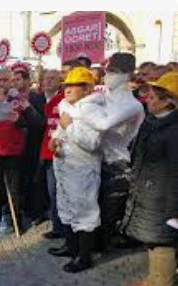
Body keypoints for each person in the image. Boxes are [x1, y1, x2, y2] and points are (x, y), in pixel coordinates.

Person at [61, 53, 146, 253]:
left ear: (126, 75)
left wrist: (72, 109)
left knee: (105, 215)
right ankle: (78, 248)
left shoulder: (132, 105)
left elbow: (103, 124)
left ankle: (92, 254)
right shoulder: (102, 97)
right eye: (106, 70)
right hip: (90, 159)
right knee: (82, 209)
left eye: (112, 72)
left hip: (114, 163)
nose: (106, 75)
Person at [122, 71, 178, 286]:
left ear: (169, 102)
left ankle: (160, 284)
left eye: (153, 97)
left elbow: (175, 171)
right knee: (154, 239)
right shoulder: (153, 121)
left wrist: (174, 209)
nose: (147, 99)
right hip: (150, 192)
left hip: (164, 197)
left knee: (162, 241)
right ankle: (154, 280)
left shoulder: (174, 130)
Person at [48, 67, 103, 273]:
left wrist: (70, 127)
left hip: (82, 171)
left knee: (85, 213)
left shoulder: (94, 110)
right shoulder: (65, 106)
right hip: (63, 167)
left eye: (74, 85)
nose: (68, 89)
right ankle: (71, 247)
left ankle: (84, 256)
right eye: (67, 85)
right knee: (66, 209)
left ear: (87, 88)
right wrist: (54, 142)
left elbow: (94, 142)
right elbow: (60, 131)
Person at [0, 68, 42, 233]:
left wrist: (19, 120)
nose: (2, 83)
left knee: (14, 189)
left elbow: (34, 122)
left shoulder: (18, 98)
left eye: (6, 80)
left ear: (11, 81)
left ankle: (16, 221)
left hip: (14, 150)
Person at [39, 61, 83, 240]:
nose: (48, 82)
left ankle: (65, 230)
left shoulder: (66, 101)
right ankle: (58, 227)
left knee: (60, 192)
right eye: (45, 78)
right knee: (53, 192)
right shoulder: (46, 100)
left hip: (64, 153)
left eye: (53, 78)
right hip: (48, 152)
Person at [12, 69, 49, 225]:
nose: (15, 82)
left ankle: (37, 212)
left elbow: (40, 124)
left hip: (34, 146)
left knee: (34, 180)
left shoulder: (37, 97)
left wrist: (26, 110)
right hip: (16, 146)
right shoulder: (10, 98)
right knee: (20, 180)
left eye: (18, 79)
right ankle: (21, 209)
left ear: (27, 81)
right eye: (13, 80)